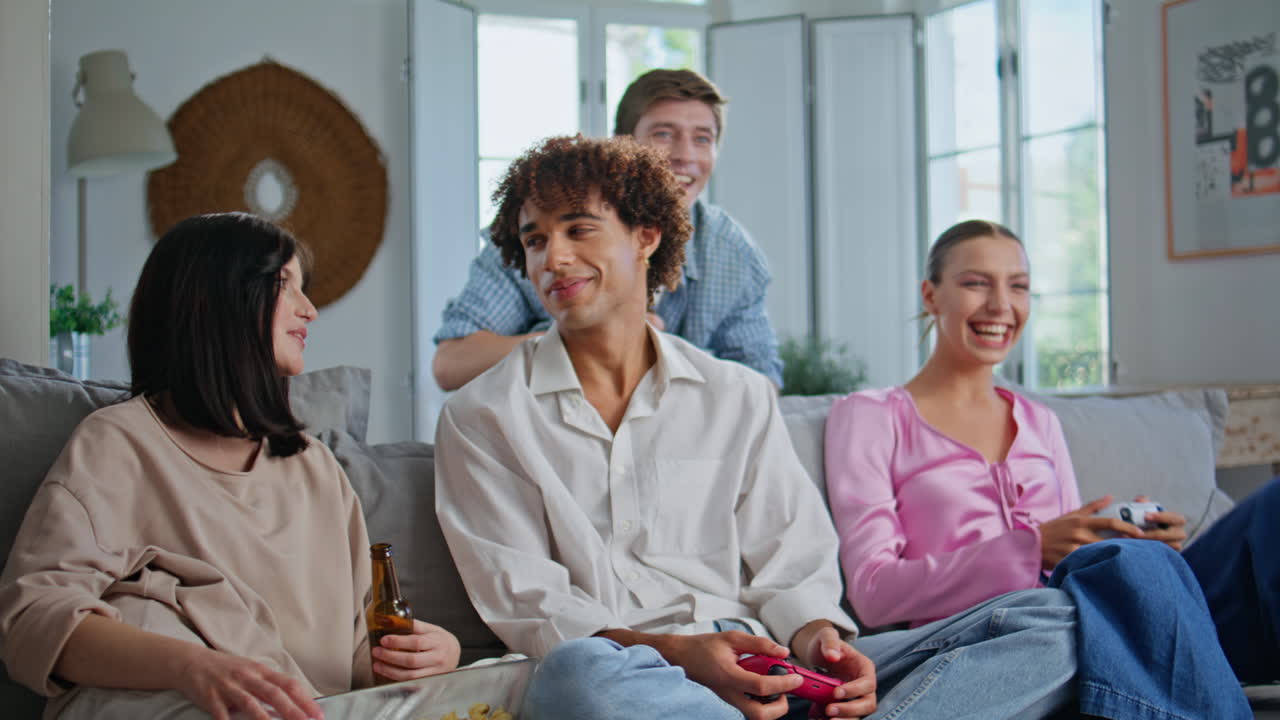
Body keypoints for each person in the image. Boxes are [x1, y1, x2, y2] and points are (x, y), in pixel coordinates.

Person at [434, 136, 1095, 720]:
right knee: (575, 677)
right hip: (634, 674)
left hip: (770, 668)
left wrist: (821, 643)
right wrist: (685, 656)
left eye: (579, 230)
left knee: (1054, 620)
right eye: (535, 240)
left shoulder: (737, 395)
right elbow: (532, 607)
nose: (553, 257)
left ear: (646, 236)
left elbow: (793, 562)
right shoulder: (483, 416)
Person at [0, 213, 460, 720]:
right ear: (216, 298)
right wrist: (189, 667)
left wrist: (426, 658)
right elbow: (32, 619)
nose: (309, 310)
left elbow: (353, 663)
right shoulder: (119, 444)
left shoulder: (315, 469)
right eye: (283, 284)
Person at [824, 219, 1256, 719]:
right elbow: (873, 592)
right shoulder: (870, 416)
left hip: (1055, 636)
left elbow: (1072, 564)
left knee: (1139, 574)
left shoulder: (1040, 421)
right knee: (1083, 619)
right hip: (962, 639)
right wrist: (1028, 549)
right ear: (931, 295)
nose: (1000, 305)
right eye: (976, 283)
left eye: (1019, 286)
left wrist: (1119, 536)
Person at [432, 68, 783, 390]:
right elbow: (450, 365)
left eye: (703, 139)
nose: (685, 155)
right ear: (621, 146)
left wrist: (665, 357)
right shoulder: (537, 236)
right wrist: (574, 340)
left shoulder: (732, 252)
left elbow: (761, 382)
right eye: (663, 134)